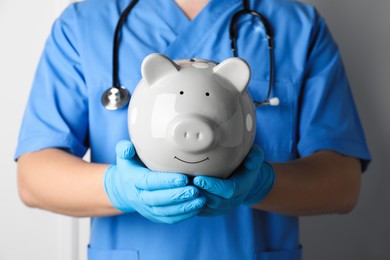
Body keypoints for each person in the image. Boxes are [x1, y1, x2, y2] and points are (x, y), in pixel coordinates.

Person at [15, 0, 371, 259]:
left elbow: (342, 185)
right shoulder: (84, 25)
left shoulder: (297, 26)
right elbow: (34, 177)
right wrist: (120, 189)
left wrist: (261, 184)